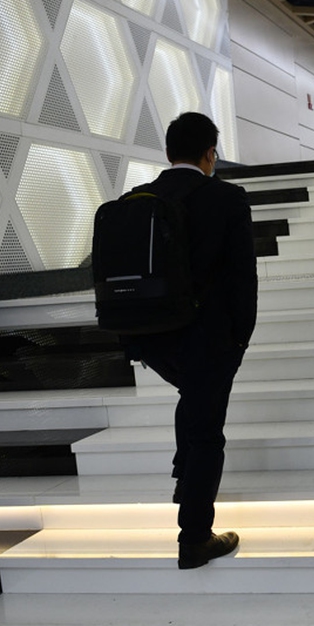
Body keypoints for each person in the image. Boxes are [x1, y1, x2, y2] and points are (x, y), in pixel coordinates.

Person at [125, 112, 258, 569]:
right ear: (209, 153)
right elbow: (244, 277)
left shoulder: (136, 199)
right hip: (207, 338)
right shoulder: (226, 198)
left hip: (150, 340)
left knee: (193, 398)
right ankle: (195, 539)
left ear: (168, 153)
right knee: (207, 435)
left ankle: (185, 478)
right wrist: (240, 338)